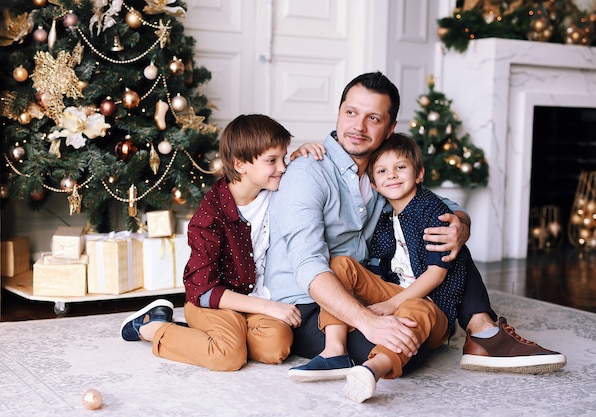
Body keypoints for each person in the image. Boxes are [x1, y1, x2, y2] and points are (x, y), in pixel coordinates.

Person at [264, 72, 565, 383]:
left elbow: (434, 204)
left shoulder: (378, 177)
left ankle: (481, 329)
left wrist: (460, 224)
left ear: (390, 128)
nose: (358, 127)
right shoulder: (307, 174)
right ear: (339, 112)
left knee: (444, 232)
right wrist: (368, 321)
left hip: (358, 288)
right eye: (351, 112)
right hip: (307, 307)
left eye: (373, 118)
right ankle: (353, 351)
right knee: (408, 342)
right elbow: (308, 266)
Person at [290, 133, 469, 402]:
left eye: (401, 167)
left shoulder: (433, 212)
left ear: (419, 174)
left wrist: (391, 305)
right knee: (340, 265)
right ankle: (334, 350)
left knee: (413, 309)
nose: (392, 176)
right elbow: (376, 268)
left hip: (432, 305)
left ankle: (374, 368)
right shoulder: (384, 212)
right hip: (393, 290)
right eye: (383, 171)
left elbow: (436, 273)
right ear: (373, 184)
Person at [120, 114, 302, 371]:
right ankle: (152, 327)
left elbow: (303, 175)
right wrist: (268, 307)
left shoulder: (275, 190)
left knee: (277, 345)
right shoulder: (210, 215)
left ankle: (211, 336)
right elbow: (202, 290)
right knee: (227, 356)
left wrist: (304, 154)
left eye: (284, 158)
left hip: (250, 300)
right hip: (212, 303)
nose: (282, 167)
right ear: (240, 164)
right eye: (272, 161)